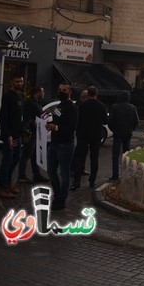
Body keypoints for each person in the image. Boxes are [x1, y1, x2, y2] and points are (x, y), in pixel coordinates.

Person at [45, 82, 77, 211]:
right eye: (59, 89)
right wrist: (49, 123)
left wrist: (56, 127)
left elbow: (72, 127)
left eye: (64, 90)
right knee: (51, 171)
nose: (60, 92)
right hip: (54, 143)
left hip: (65, 145)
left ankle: (61, 200)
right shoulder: (59, 106)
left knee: (64, 174)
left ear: (69, 92)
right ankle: (57, 196)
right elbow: (56, 120)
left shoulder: (72, 108)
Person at [72, 86, 108, 189]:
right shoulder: (101, 106)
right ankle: (92, 181)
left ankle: (76, 182)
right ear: (96, 94)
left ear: (88, 94)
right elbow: (105, 121)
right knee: (94, 159)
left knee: (79, 158)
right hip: (96, 135)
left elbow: (78, 121)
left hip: (83, 135)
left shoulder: (83, 106)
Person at [0, 75, 25, 199]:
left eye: (21, 81)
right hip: (9, 136)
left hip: (17, 135)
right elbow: (3, 118)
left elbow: (19, 117)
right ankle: (2, 188)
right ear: (12, 82)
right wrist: (8, 135)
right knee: (7, 160)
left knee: (15, 160)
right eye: (17, 81)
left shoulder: (20, 96)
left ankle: (8, 184)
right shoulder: (7, 96)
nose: (19, 83)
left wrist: (22, 131)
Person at [18, 86, 49, 184]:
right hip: (30, 133)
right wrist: (32, 123)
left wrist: (45, 114)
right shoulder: (29, 103)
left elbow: (39, 115)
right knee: (26, 155)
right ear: (37, 93)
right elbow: (27, 118)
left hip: (37, 133)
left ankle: (37, 175)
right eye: (42, 92)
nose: (43, 94)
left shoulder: (37, 103)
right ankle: (21, 176)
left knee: (35, 155)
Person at [108, 91, 139, 181]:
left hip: (117, 133)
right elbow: (136, 121)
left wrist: (114, 129)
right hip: (127, 133)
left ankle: (115, 174)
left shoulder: (114, 107)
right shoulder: (132, 107)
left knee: (115, 155)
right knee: (127, 155)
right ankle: (126, 174)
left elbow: (111, 121)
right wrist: (131, 129)